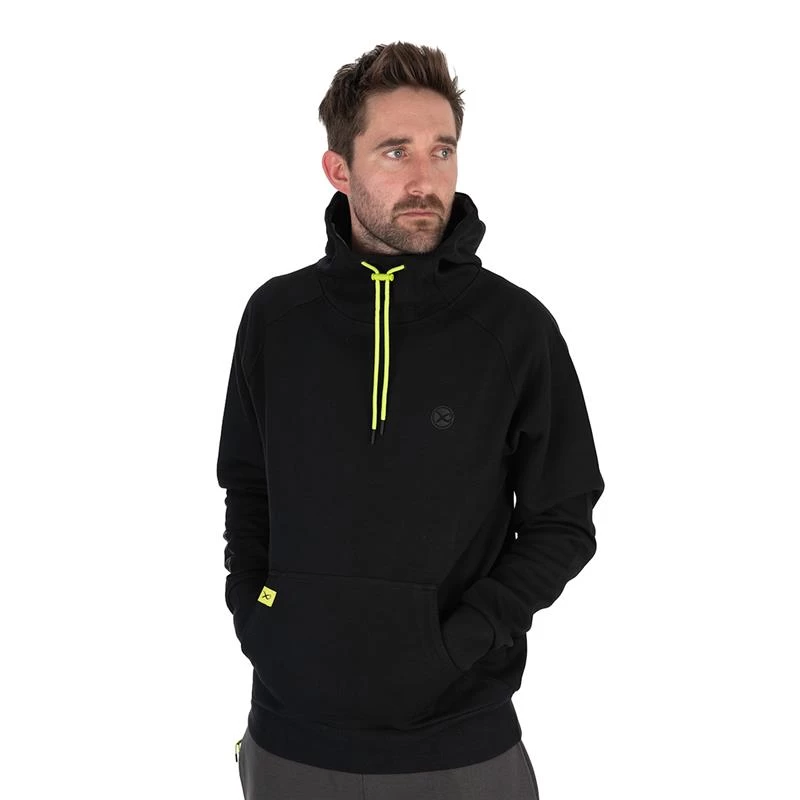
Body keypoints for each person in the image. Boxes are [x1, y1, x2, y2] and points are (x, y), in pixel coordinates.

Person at [217, 41, 605, 800]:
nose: (426, 179)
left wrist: (465, 638)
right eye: (396, 151)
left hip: (460, 740)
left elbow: (564, 519)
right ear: (339, 169)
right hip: (291, 737)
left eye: (442, 150)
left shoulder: (515, 329)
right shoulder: (276, 318)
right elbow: (248, 487)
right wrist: (258, 617)